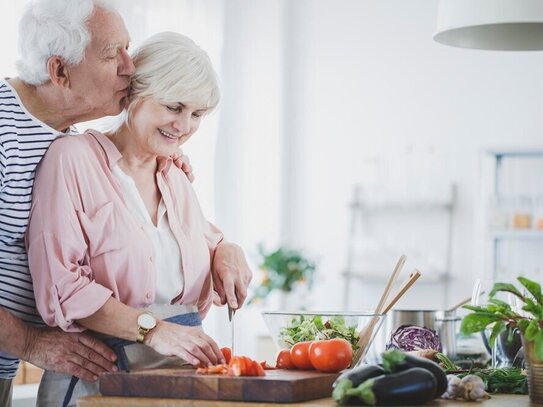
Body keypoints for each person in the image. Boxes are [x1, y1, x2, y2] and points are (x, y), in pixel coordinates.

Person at [0, 0, 251, 404]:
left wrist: (226, 249)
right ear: (60, 71)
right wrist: (30, 342)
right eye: (174, 107)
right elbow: (63, 283)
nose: (128, 67)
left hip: (172, 379)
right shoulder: (63, 153)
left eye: (197, 114)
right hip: (95, 372)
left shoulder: (168, 172)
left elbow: (194, 244)